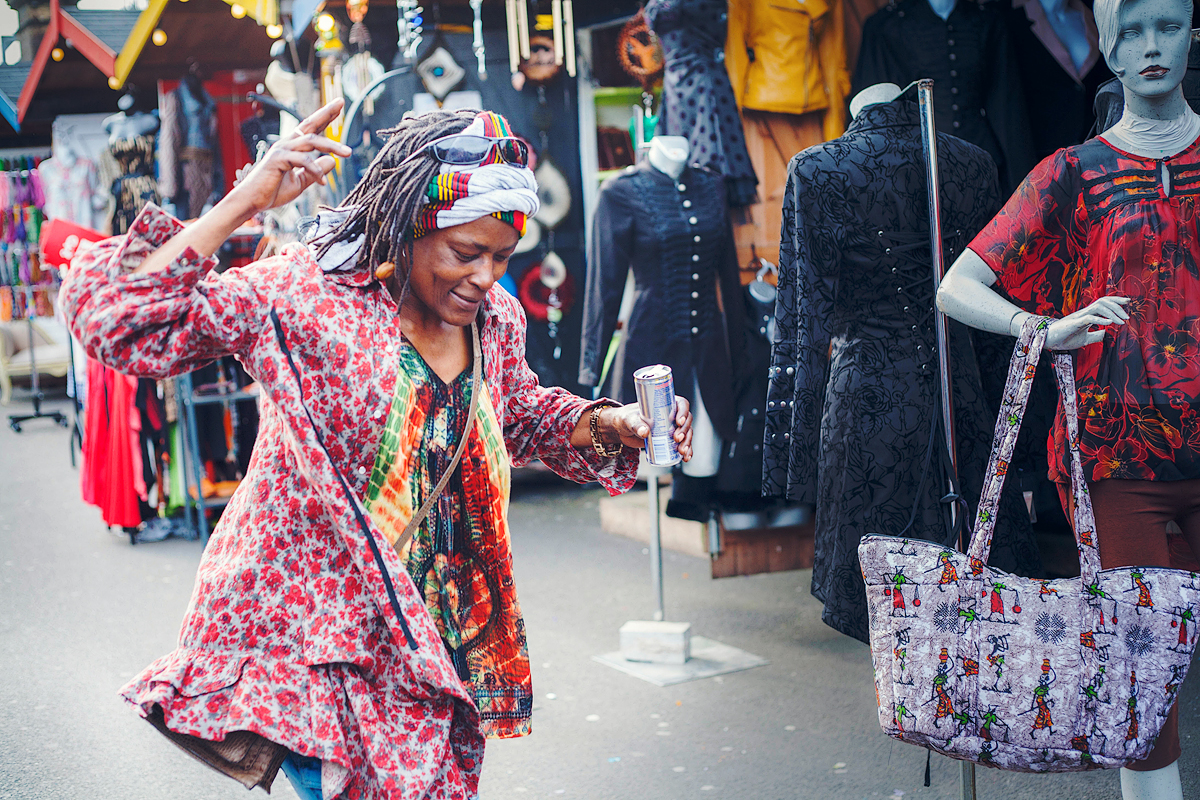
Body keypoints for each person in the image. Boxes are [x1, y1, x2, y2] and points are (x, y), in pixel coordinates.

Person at [59, 101, 694, 800]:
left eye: (501, 257)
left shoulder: (496, 319)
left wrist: (615, 424)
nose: (486, 276)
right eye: (464, 253)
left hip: (437, 633)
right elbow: (117, 317)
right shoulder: (305, 294)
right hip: (325, 638)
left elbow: (519, 415)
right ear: (408, 226)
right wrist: (246, 200)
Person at [936, 0, 1199, 795]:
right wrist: (1040, 328)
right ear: (1109, 50)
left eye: (1170, 26)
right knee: (1141, 689)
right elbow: (957, 286)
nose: (1152, 46)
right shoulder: (1073, 173)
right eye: (1131, 32)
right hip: (1121, 469)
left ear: (1195, 33)